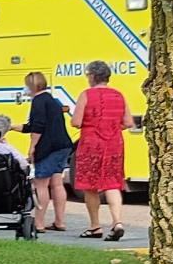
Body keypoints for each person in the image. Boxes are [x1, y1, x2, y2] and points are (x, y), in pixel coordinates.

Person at [70, 59, 132, 241]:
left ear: (92, 76)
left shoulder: (86, 95)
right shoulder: (119, 95)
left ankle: (95, 226)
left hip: (91, 144)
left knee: (90, 186)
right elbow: (128, 122)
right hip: (114, 143)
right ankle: (117, 222)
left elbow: (76, 122)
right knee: (112, 183)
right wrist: (111, 127)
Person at [20, 71, 74, 232]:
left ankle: (39, 223)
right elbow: (35, 124)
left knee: (41, 184)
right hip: (63, 145)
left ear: (32, 85)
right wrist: (13, 127)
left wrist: (32, 147)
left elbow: (38, 127)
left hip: (48, 147)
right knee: (57, 184)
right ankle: (59, 221)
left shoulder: (38, 101)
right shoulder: (52, 101)